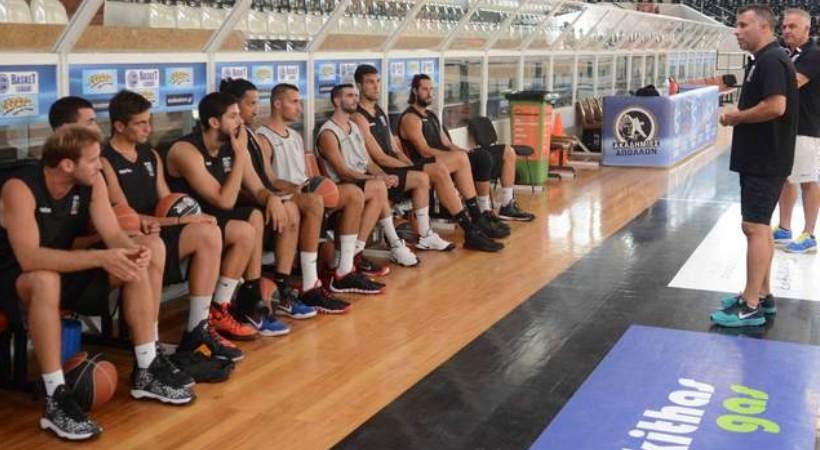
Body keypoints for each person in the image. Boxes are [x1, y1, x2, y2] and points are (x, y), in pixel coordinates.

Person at [0, 126, 194, 440]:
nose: (99, 165)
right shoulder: (20, 187)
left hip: (69, 265)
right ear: (67, 165)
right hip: (18, 278)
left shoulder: (93, 181)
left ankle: (147, 367)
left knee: (137, 257)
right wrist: (102, 258)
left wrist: (132, 250)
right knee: (46, 280)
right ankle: (55, 395)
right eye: (92, 160)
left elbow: (113, 233)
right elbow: (29, 259)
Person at [100, 90, 245, 360]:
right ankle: (149, 342)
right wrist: (183, 219)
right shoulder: (105, 160)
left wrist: (183, 216)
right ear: (119, 126)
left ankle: (197, 328)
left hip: (160, 229)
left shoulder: (150, 154)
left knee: (209, 232)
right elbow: (127, 217)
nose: (148, 128)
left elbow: (166, 200)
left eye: (149, 121)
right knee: (183, 232)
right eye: (140, 123)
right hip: (131, 237)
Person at [163, 92, 290, 338]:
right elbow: (224, 201)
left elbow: (258, 189)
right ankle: (219, 308)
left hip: (216, 220)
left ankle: (248, 298)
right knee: (245, 230)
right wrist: (240, 155)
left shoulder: (232, 145)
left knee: (255, 215)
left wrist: (272, 198)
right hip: (188, 224)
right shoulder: (186, 150)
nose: (240, 121)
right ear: (214, 122)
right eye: (233, 117)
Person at [220, 78, 351, 314]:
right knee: (308, 203)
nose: (256, 109)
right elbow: (240, 190)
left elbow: (269, 179)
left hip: (264, 198)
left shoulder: (249, 136)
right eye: (251, 104)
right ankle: (306, 285)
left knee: (308, 201)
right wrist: (272, 198)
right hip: (246, 208)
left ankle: (288, 284)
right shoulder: (248, 138)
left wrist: (293, 188)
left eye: (257, 103)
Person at [352, 64, 502, 252]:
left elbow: (394, 148)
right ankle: (469, 227)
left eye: (378, 81)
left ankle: (470, 227)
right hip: (384, 171)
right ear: (359, 86)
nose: (376, 86)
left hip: (399, 166)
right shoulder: (359, 117)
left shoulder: (380, 112)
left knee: (444, 167)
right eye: (370, 82)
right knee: (437, 170)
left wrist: (408, 164)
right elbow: (380, 157)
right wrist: (409, 167)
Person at [712, 5, 798, 327]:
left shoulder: (772, 60)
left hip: (766, 158)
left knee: (754, 228)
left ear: (763, 27)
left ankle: (750, 305)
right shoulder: (763, 59)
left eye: (743, 25)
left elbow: (776, 106)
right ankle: (762, 294)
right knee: (759, 226)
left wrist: (737, 117)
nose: (737, 31)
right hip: (762, 157)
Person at [258, 83, 384, 302]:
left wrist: (313, 183)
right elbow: (268, 180)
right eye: (294, 102)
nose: (299, 107)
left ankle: (344, 272)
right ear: (277, 104)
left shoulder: (295, 135)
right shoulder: (263, 137)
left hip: (304, 192)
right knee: (315, 201)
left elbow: (304, 176)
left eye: (299, 102)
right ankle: (310, 284)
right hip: (285, 196)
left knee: (353, 194)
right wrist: (294, 188)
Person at [316, 84, 421, 292]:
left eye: (356, 95)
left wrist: (382, 176)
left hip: (361, 182)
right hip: (341, 188)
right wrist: (374, 178)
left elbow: (368, 162)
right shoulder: (328, 132)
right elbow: (343, 172)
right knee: (378, 188)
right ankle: (371, 250)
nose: (355, 99)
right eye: (349, 95)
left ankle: (356, 255)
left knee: (380, 187)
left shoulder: (354, 127)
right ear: (337, 101)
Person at [398, 74, 534, 228]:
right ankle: (482, 210)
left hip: (449, 158)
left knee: (504, 151)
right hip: (429, 163)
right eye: (424, 89)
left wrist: (464, 152)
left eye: (431, 89)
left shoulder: (431, 115)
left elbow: (447, 143)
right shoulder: (411, 118)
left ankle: (506, 204)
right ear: (415, 91)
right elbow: (425, 151)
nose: (429, 93)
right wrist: (457, 156)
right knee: (481, 158)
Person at [772, 8, 820, 254]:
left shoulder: (813, 54)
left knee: (807, 180)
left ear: (807, 29)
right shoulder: (789, 54)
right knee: (786, 177)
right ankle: (784, 227)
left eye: (792, 26)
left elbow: (791, 84)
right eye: (784, 26)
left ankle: (809, 234)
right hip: (788, 127)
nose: (786, 31)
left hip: (806, 128)